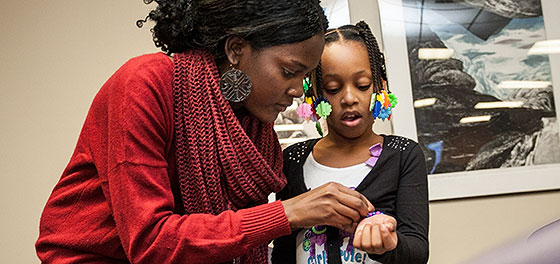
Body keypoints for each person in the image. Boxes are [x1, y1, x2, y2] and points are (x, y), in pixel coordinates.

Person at [35, 1, 377, 263]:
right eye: (290, 71)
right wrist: (289, 212)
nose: (299, 90)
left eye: (304, 76)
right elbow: (151, 241)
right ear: (236, 50)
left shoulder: (256, 132)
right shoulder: (144, 85)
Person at [271, 21, 429, 264]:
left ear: (380, 86)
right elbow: (283, 250)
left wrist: (388, 242)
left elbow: (417, 252)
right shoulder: (291, 159)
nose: (348, 98)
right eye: (332, 89)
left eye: (362, 85)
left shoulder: (403, 155)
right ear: (314, 94)